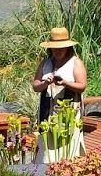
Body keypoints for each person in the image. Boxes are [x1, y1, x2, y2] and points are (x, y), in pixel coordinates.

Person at [32, 26, 87, 160]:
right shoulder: (45, 63)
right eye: (55, 48)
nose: (58, 51)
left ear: (67, 48)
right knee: (46, 147)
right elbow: (35, 85)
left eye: (61, 48)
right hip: (47, 112)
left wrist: (65, 83)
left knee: (68, 146)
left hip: (68, 113)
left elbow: (82, 86)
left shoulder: (75, 63)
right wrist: (46, 83)